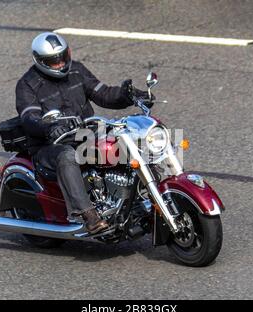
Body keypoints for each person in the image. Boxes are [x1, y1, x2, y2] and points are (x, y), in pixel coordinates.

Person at [15, 32, 151, 234]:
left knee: (127, 139)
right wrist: (49, 127)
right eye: (53, 61)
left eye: (63, 57)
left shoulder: (76, 70)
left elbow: (103, 93)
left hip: (84, 135)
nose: (60, 64)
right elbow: (29, 118)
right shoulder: (28, 84)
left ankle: (139, 197)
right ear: (40, 60)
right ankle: (88, 215)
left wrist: (130, 96)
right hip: (50, 145)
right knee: (67, 156)